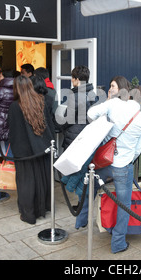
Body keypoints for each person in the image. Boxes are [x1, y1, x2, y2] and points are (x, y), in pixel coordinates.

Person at [75, 76, 141, 254]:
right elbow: (138, 149)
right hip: (123, 165)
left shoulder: (113, 105)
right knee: (124, 205)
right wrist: (125, 156)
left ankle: (80, 220)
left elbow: (91, 114)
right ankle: (118, 243)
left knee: (89, 191)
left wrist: (106, 126)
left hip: (102, 160)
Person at [8, 75, 55, 224]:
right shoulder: (40, 100)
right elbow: (48, 125)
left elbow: (14, 131)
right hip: (41, 148)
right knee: (41, 180)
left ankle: (28, 214)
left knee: (26, 182)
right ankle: (43, 208)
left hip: (24, 152)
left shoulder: (15, 106)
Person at [60, 66, 98, 200]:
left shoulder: (76, 96)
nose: (71, 81)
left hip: (75, 136)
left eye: (72, 78)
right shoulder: (93, 93)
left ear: (76, 79)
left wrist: (59, 126)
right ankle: (84, 200)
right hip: (88, 136)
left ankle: (80, 201)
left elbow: (67, 119)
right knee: (84, 171)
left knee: (75, 170)